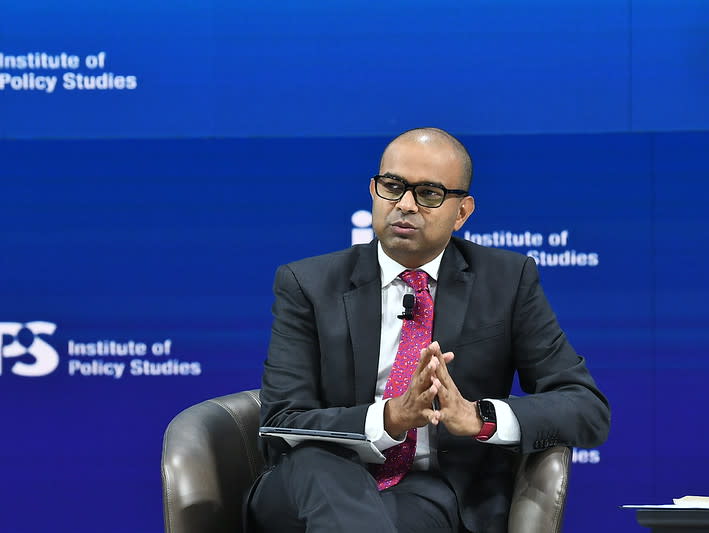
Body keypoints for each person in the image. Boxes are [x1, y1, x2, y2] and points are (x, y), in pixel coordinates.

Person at [247, 127, 610, 533]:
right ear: (373, 190)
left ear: (462, 212)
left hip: (430, 489)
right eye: (393, 186)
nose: (405, 204)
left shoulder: (506, 282)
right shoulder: (308, 283)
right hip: (306, 484)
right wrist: (389, 418)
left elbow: (586, 408)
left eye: (429, 194)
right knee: (319, 461)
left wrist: (478, 417)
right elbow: (281, 422)